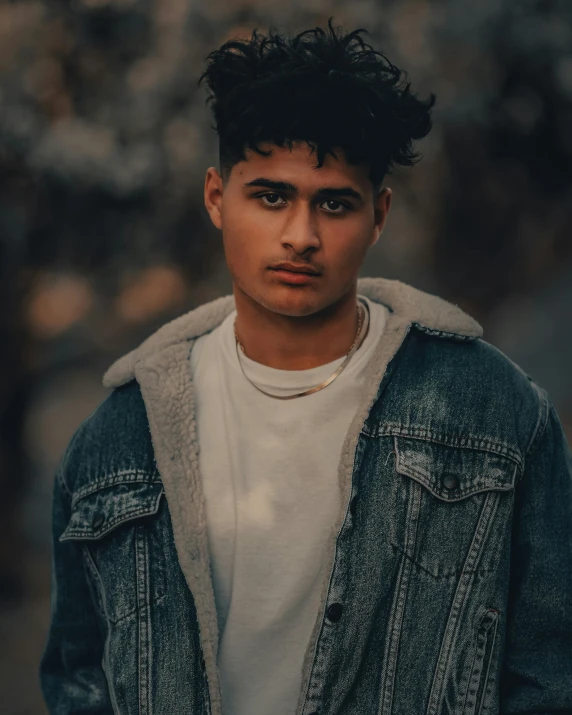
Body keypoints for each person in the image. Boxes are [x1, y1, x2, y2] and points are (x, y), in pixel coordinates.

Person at [39, 19, 572, 715]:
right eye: (270, 196)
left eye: (334, 203)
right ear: (215, 198)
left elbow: (548, 671)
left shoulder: (496, 414)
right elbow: (81, 681)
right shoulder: (114, 444)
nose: (301, 235)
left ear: (377, 215)